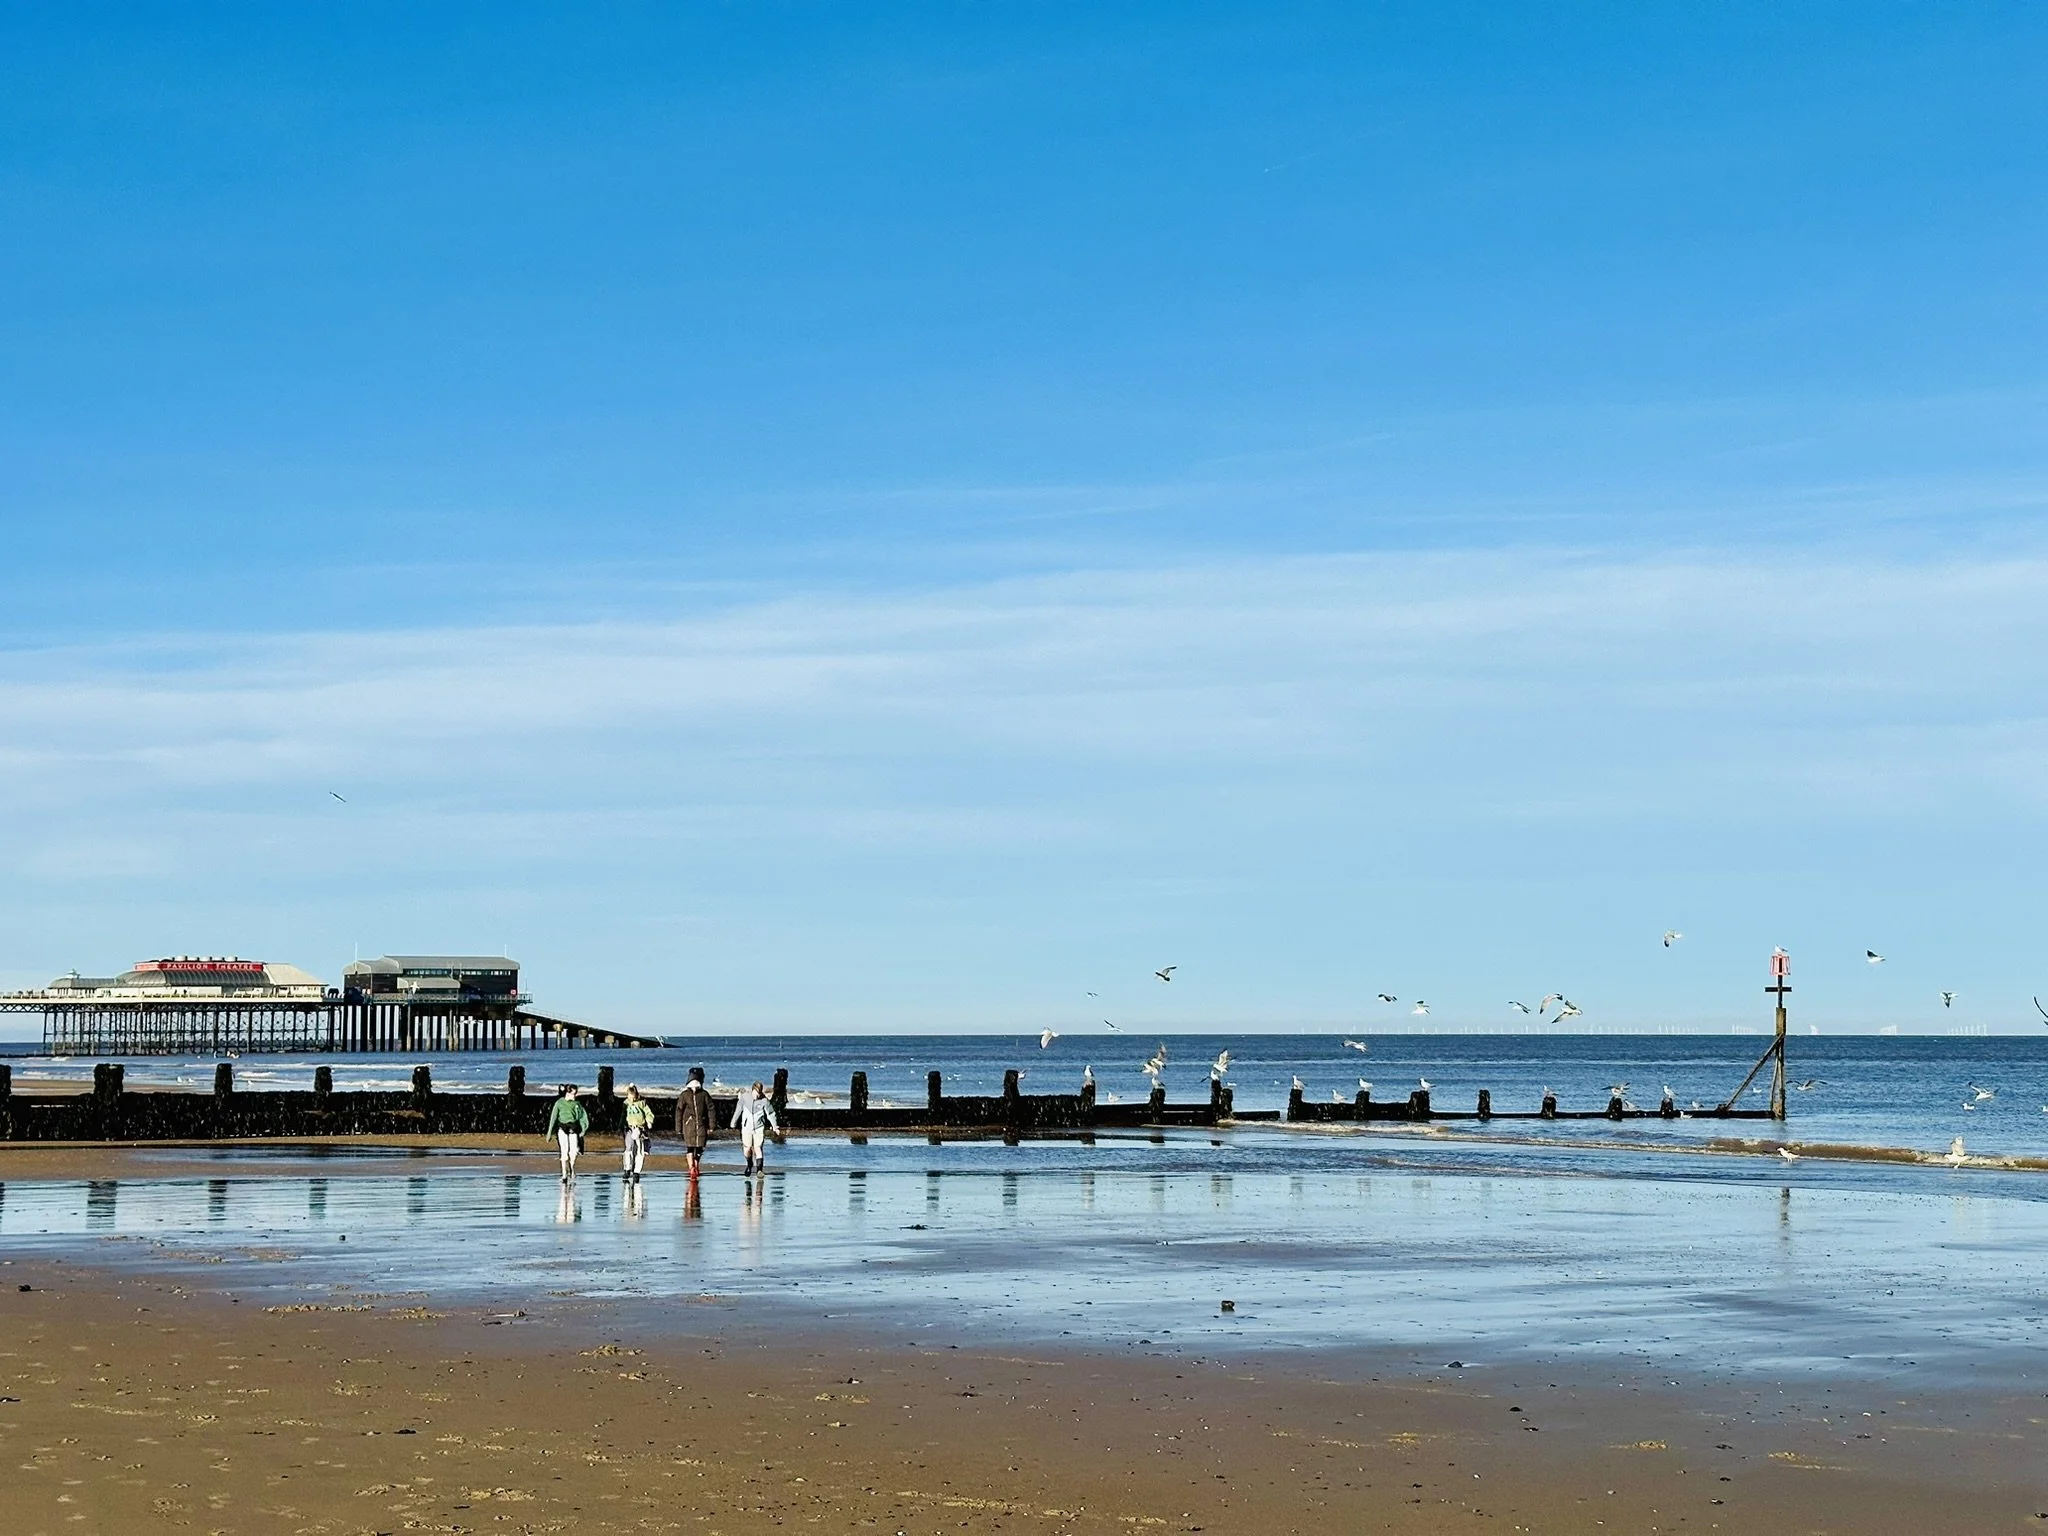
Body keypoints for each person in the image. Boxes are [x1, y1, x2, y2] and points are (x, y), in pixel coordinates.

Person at [731, 1079, 781, 1177]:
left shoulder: (764, 1100)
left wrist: (775, 1127)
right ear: (752, 1090)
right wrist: (733, 1122)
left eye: (759, 1093)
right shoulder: (745, 1097)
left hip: (759, 1128)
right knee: (747, 1149)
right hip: (746, 1128)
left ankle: (759, 1170)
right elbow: (738, 1110)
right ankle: (749, 1164)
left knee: (758, 1148)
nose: (757, 1096)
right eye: (756, 1093)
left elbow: (770, 1114)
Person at [674, 1066, 714, 1179]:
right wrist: (678, 1127)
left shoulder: (704, 1094)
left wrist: (711, 1125)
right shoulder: (686, 1095)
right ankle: (693, 1166)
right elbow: (679, 1110)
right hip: (690, 1125)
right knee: (692, 1147)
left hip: (700, 1124)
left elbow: (710, 1109)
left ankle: (693, 1166)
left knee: (697, 1147)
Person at [544, 1084, 589, 1181]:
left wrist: (583, 1130)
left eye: (576, 1093)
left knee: (573, 1152)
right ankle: (564, 1174)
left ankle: (572, 1168)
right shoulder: (559, 1103)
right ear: (567, 1092)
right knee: (564, 1152)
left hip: (573, 1129)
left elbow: (583, 1118)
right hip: (562, 1129)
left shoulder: (577, 1104)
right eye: (573, 1093)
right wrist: (549, 1133)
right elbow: (553, 1118)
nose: (575, 1095)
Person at [621, 1084, 654, 1181]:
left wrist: (649, 1121)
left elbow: (648, 1113)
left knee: (640, 1151)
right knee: (628, 1149)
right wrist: (621, 1125)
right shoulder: (626, 1103)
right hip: (630, 1128)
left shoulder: (642, 1103)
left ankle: (636, 1172)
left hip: (640, 1129)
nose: (631, 1097)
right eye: (629, 1095)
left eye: (632, 1095)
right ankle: (627, 1169)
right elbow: (623, 1115)